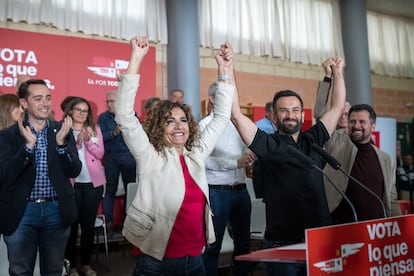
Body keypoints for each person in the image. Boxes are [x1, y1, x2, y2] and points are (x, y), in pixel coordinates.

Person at [115, 36, 234, 275]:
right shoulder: (149, 155)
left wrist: (224, 70)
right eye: (170, 122)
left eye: (182, 120)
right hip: (157, 262)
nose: (178, 126)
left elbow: (221, 116)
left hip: (195, 259)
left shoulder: (196, 154)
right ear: (159, 127)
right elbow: (125, 116)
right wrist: (136, 58)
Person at [230, 56, 346, 275]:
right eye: (283, 110)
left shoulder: (314, 139)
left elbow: (338, 106)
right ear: (274, 116)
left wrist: (338, 71)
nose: (290, 115)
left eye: (295, 110)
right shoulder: (268, 144)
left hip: (319, 237)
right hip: (281, 242)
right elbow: (236, 115)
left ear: (303, 115)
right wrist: (227, 67)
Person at [0, 79, 82, 275]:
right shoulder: (8, 135)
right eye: (38, 99)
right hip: (22, 212)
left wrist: (61, 145)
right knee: (20, 270)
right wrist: (27, 147)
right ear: (24, 103)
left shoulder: (61, 131)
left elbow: (74, 170)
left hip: (56, 211)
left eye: (48, 97)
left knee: (54, 270)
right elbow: (5, 176)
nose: (45, 103)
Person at [200, 82, 256, 276]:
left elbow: (246, 147)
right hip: (217, 191)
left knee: (244, 243)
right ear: (213, 100)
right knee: (213, 245)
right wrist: (235, 163)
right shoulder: (205, 125)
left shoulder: (238, 124)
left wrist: (249, 154)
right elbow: (202, 160)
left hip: (241, 189)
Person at [321, 104, 401, 223]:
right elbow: (320, 116)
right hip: (340, 228)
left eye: (362, 121)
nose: (356, 126)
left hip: (375, 231)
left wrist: (398, 226)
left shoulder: (387, 160)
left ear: (373, 126)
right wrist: (327, 85)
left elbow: (391, 198)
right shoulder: (337, 146)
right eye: (352, 121)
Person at [63, 97, 105, 276]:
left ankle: (86, 264)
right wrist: (77, 142)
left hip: (92, 184)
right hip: (71, 185)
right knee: (71, 227)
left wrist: (87, 141)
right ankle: (71, 266)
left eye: (85, 110)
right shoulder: (62, 129)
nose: (81, 113)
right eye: (78, 109)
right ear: (70, 111)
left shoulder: (94, 128)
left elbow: (100, 152)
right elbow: (61, 155)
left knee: (87, 226)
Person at [98, 90, 136, 232]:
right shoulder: (103, 118)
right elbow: (101, 138)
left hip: (128, 157)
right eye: (107, 101)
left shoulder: (130, 115)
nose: (109, 104)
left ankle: (130, 221)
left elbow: (135, 135)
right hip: (111, 157)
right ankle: (108, 222)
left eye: (112, 101)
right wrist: (114, 132)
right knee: (110, 190)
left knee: (130, 190)